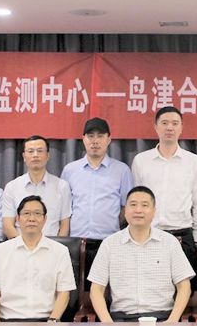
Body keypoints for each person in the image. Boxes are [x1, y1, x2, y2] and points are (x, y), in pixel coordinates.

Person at [87, 186, 194, 322]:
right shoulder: (109, 244)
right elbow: (96, 289)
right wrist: (108, 323)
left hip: (163, 318)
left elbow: (184, 286)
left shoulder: (170, 243)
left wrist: (172, 321)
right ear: (125, 210)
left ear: (154, 211)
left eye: (145, 205)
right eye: (133, 205)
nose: (138, 210)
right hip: (121, 319)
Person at [131, 106, 197, 287]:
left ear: (181, 127)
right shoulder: (141, 160)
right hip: (148, 235)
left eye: (174, 123)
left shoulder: (193, 161)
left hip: (182, 235)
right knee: (150, 288)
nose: (169, 128)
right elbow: (135, 201)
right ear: (156, 127)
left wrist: (196, 237)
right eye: (164, 123)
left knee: (185, 291)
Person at [0, 196, 76, 322]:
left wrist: (52, 321)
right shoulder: (0, 251)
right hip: (8, 321)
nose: (31, 218)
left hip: (46, 321)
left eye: (37, 213)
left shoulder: (60, 251)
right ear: (17, 219)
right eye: (26, 213)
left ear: (45, 219)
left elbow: (64, 292)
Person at [61, 117, 133, 277]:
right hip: (77, 242)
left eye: (100, 136)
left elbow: (126, 208)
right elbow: (64, 207)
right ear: (83, 139)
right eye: (90, 136)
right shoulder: (70, 170)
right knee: (76, 287)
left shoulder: (122, 170)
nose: (95, 141)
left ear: (109, 139)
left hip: (109, 242)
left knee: (107, 288)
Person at [2, 136, 72, 238]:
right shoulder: (12, 187)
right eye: (30, 151)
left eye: (40, 151)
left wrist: (55, 246)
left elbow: (65, 225)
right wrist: (23, 245)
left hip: (52, 245)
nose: (35, 155)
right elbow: (7, 225)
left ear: (47, 155)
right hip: (20, 245)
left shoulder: (62, 186)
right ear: (24, 156)